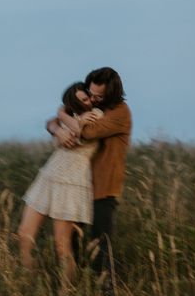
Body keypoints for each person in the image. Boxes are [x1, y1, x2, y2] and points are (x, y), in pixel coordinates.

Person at [47, 67, 132, 295]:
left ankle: (107, 289)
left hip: (104, 188)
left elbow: (89, 132)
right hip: (80, 186)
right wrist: (56, 128)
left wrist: (62, 115)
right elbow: (50, 122)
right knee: (73, 241)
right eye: (91, 94)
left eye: (99, 96)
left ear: (113, 93)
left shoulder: (121, 112)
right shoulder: (94, 106)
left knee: (101, 245)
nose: (93, 99)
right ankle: (74, 288)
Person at [17, 82, 103, 294]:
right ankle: (28, 284)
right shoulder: (70, 117)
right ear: (72, 103)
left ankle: (65, 291)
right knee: (23, 234)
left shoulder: (97, 114)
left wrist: (61, 116)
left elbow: (81, 133)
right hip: (48, 177)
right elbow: (53, 127)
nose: (87, 102)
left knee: (62, 246)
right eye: (81, 100)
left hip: (72, 183)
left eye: (87, 98)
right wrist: (57, 127)